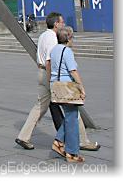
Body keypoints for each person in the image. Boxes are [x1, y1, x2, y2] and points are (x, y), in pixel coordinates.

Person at [15, 12, 98, 152]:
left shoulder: (43, 35)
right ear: (56, 24)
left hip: (40, 72)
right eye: (62, 22)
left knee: (39, 107)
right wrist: (52, 80)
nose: (63, 24)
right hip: (50, 76)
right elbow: (49, 61)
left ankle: (23, 136)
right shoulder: (53, 38)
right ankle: (82, 141)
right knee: (72, 107)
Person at [50, 26, 85, 163]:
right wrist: (81, 87)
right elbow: (73, 71)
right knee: (72, 119)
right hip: (67, 87)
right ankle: (71, 152)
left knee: (70, 116)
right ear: (68, 38)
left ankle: (59, 141)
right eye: (72, 37)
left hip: (56, 85)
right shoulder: (67, 51)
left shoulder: (54, 50)